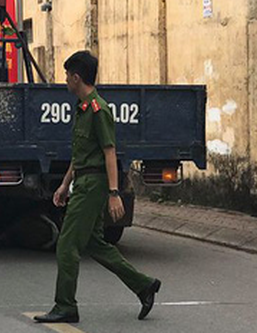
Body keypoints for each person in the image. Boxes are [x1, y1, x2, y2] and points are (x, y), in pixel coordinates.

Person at [34, 51, 161, 324]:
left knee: (66, 244)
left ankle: (65, 305)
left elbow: (109, 152)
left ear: (77, 77)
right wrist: (64, 184)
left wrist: (114, 193)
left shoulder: (98, 109)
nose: (65, 80)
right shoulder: (82, 109)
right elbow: (81, 153)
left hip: (93, 185)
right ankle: (144, 285)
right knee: (95, 244)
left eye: (67, 75)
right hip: (83, 181)